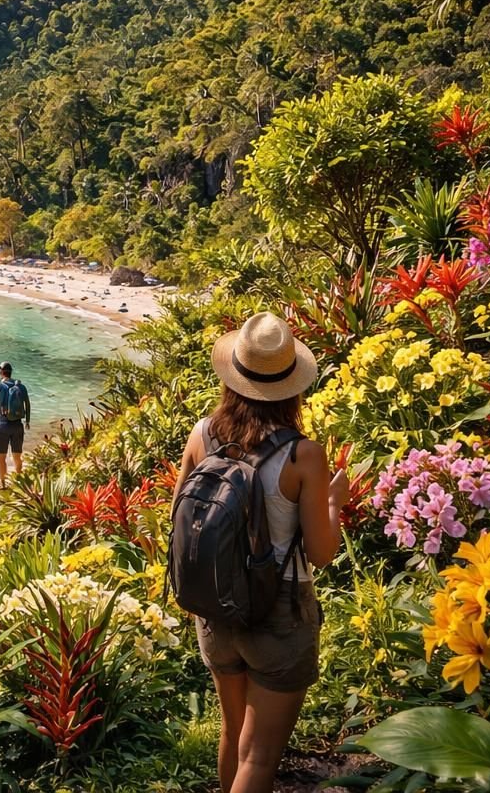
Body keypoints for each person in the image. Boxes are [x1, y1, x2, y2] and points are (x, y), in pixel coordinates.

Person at [175, 312, 348, 793]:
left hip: (214, 608)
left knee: (234, 735)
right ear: (292, 387)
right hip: (278, 612)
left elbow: (179, 518)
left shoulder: (203, 435)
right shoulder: (302, 455)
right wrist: (334, 501)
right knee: (260, 754)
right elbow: (321, 552)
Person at [0, 361, 29, 484]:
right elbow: (27, 404)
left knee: (1, 458)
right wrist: (28, 421)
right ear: (10, 372)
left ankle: (3, 483)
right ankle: (19, 482)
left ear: (1, 372)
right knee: (17, 456)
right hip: (17, 425)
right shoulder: (21, 387)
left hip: (2, 425)